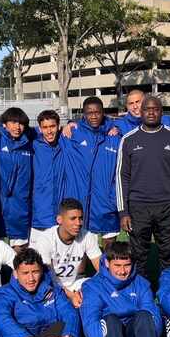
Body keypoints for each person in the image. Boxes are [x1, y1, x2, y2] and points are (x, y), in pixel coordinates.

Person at [117, 95, 170, 279]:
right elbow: (121, 176)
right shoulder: (128, 139)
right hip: (138, 207)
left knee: (169, 253)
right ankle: (141, 294)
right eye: (147, 109)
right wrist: (123, 212)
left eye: (155, 109)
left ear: (161, 112)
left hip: (168, 207)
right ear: (140, 112)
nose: (151, 112)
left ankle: (167, 293)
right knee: (138, 255)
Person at [80, 242, 164, 337]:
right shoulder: (92, 286)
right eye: (117, 265)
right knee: (109, 319)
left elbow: (155, 317)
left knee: (145, 315)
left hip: (135, 336)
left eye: (127, 265)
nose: (122, 271)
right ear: (106, 263)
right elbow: (90, 325)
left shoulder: (140, 283)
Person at [59, 96, 122, 247]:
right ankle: (84, 272)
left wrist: (113, 197)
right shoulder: (73, 133)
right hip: (83, 202)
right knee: (83, 245)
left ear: (103, 113)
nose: (94, 116)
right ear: (84, 114)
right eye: (89, 112)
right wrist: (67, 125)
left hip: (106, 201)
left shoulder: (115, 136)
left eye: (97, 112)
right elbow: (44, 133)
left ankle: (110, 271)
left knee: (110, 247)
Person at [31, 198, 102, 308]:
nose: (78, 223)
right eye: (73, 219)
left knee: (94, 290)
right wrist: (71, 295)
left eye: (80, 218)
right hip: (50, 286)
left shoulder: (87, 235)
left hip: (75, 284)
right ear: (59, 219)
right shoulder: (45, 239)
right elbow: (45, 277)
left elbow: (102, 268)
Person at [0, 106, 34, 251]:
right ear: (4, 124)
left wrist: (69, 123)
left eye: (21, 123)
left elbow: (48, 128)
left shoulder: (29, 141)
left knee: (20, 248)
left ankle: (17, 273)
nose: (17, 127)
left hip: (20, 203)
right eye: (13, 122)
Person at [30, 110, 65, 244]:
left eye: (52, 126)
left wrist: (71, 123)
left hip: (60, 211)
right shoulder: (33, 144)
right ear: (40, 128)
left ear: (58, 126)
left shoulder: (65, 141)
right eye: (45, 127)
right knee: (37, 257)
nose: (49, 131)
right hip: (40, 211)